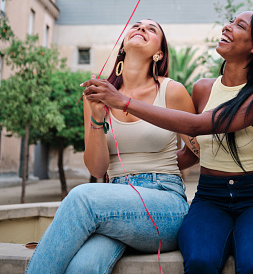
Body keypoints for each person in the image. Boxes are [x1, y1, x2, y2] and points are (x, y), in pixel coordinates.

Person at [82, 10, 253, 274]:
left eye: (240, 26)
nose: (227, 27)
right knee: (200, 263)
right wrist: (150, 166)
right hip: (209, 198)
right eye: (230, 21)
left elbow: (195, 125)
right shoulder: (203, 88)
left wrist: (123, 102)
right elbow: (196, 149)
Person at [26, 19, 197, 274]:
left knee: (82, 198)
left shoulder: (172, 91)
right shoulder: (98, 95)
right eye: (137, 25)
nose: (141, 29)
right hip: (113, 202)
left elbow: (198, 150)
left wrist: (163, 167)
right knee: (83, 267)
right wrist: (96, 117)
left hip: (164, 204)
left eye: (151, 29)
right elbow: (97, 169)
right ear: (124, 44)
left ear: (159, 53)